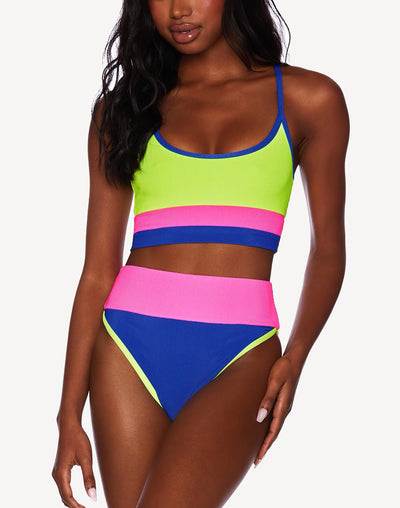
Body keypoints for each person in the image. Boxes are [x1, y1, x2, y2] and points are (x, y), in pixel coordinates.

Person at [52, 0, 349, 506]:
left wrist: (297, 354)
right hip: (127, 350)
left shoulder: (308, 99)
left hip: (241, 354)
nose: (179, 10)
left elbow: (328, 248)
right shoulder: (125, 109)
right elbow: (98, 272)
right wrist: (67, 416)